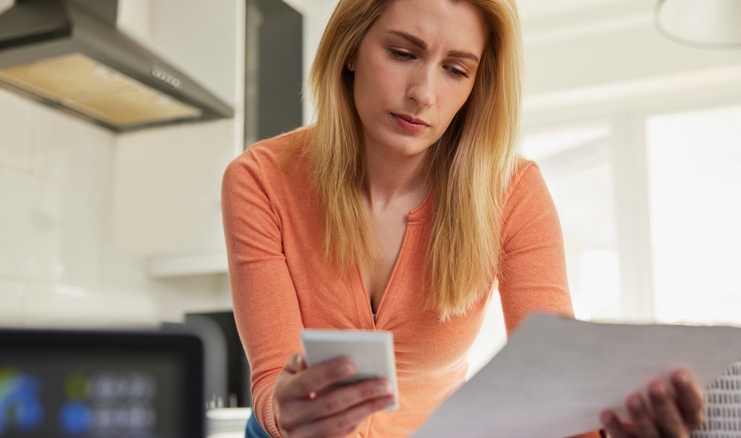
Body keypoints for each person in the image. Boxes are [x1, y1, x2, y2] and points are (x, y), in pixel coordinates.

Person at [221, 0, 705, 437]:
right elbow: (270, 382)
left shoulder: (512, 191)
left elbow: (553, 384)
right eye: (402, 54)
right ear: (350, 49)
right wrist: (286, 416)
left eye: (455, 69)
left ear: (477, 84)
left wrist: (605, 429)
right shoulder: (260, 180)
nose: (424, 94)